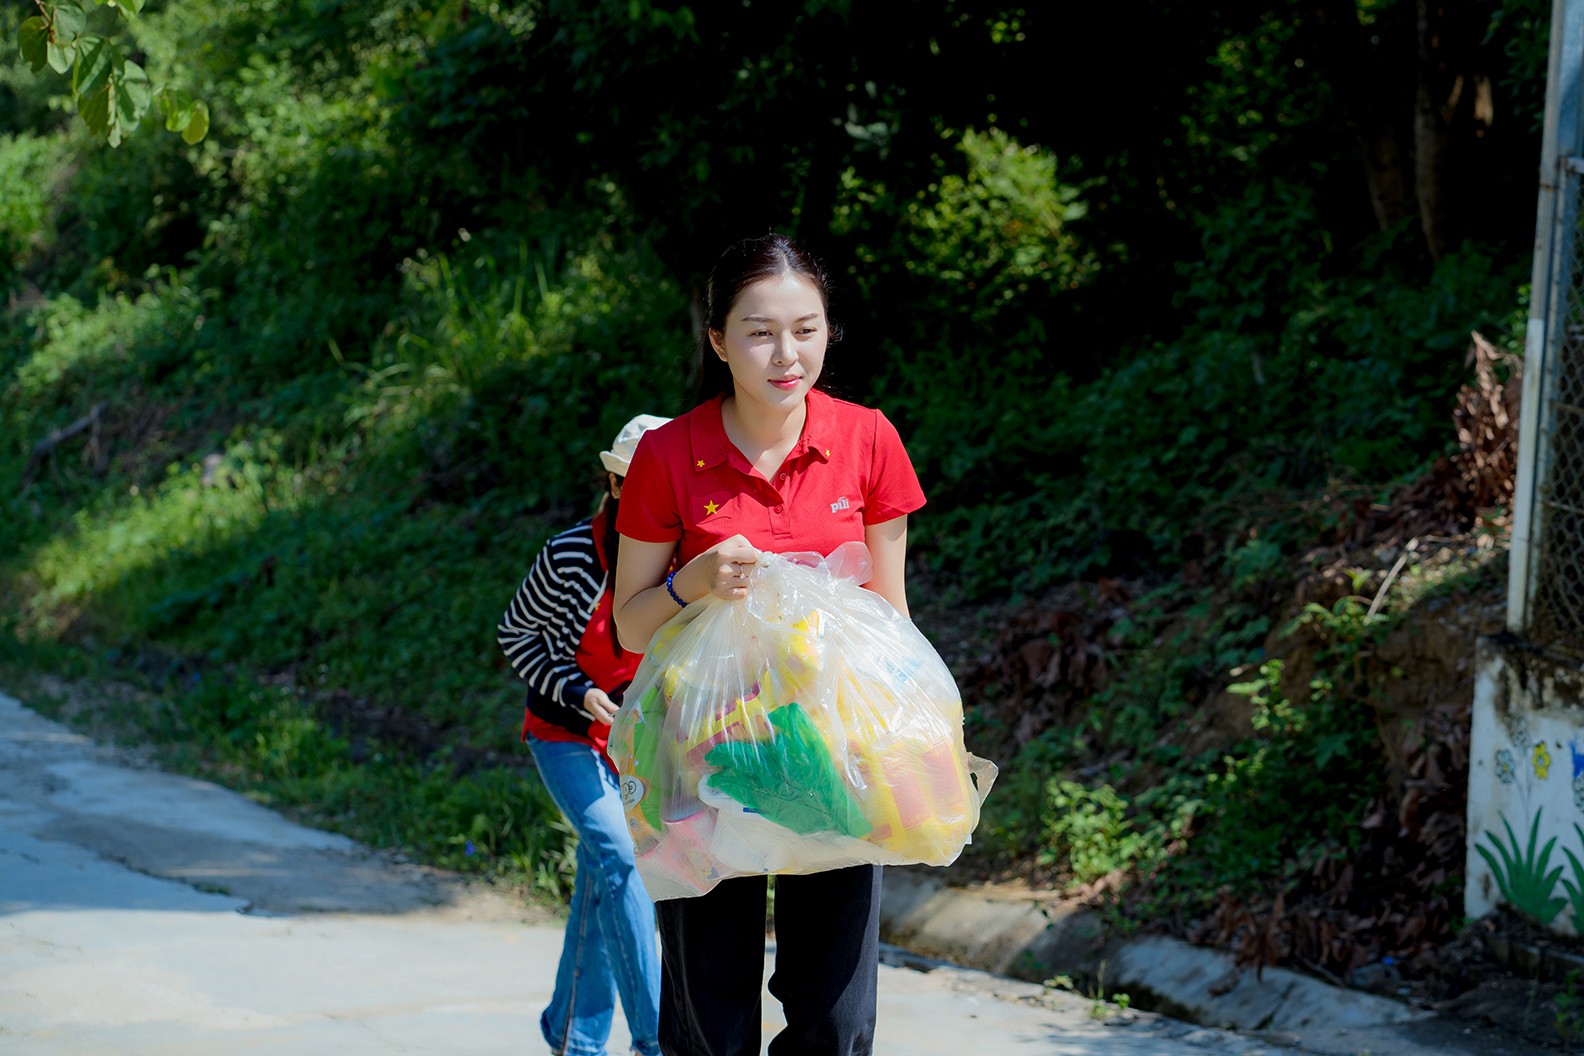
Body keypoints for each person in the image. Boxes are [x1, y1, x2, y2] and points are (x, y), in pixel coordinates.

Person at [612, 233, 926, 1056]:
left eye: (806, 329)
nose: (786, 355)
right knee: (709, 1022)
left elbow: (890, 614)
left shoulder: (868, 440)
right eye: (758, 331)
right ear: (717, 340)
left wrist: (909, 743)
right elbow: (629, 623)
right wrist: (697, 581)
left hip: (831, 756)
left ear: (828, 330)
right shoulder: (667, 453)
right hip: (700, 756)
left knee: (836, 1020)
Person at [497, 413, 670, 1056]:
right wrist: (576, 691)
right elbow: (516, 634)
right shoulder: (570, 554)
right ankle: (656, 1041)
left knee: (606, 875)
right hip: (564, 733)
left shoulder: (683, 561)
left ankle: (573, 1036)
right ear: (616, 484)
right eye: (639, 482)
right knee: (622, 860)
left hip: (637, 746)